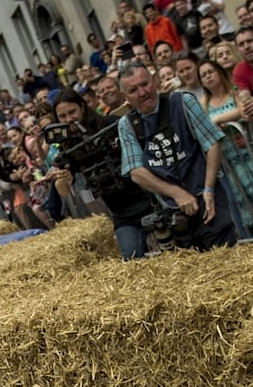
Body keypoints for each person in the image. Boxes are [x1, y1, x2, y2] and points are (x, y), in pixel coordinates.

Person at [115, 60, 237, 251]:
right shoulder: (126, 124)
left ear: (154, 80)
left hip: (206, 198)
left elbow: (212, 142)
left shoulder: (182, 101)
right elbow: (136, 172)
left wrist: (209, 189)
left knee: (227, 259)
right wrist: (176, 193)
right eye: (133, 90)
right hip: (170, 212)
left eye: (145, 84)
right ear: (125, 96)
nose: (142, 92)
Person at [47, 89, 155, 259]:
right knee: (131, 258)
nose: (69, 119)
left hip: (151, 200)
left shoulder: (112, 124)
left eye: (72, 112)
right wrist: (61, 179)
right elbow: (64, 190)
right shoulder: (68, 149)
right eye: (62, 117)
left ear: (82, 107)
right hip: (123, 215)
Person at [197, 59, 253, 229]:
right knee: (240, 197)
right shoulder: (204, 102)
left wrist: (218, 119)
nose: (208, 77)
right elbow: (201, 125)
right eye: (204, 75)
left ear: (219, 72)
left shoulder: (234, 92)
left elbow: (243, 109)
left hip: (247, 152)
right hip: (226, 158)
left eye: (211, 72)